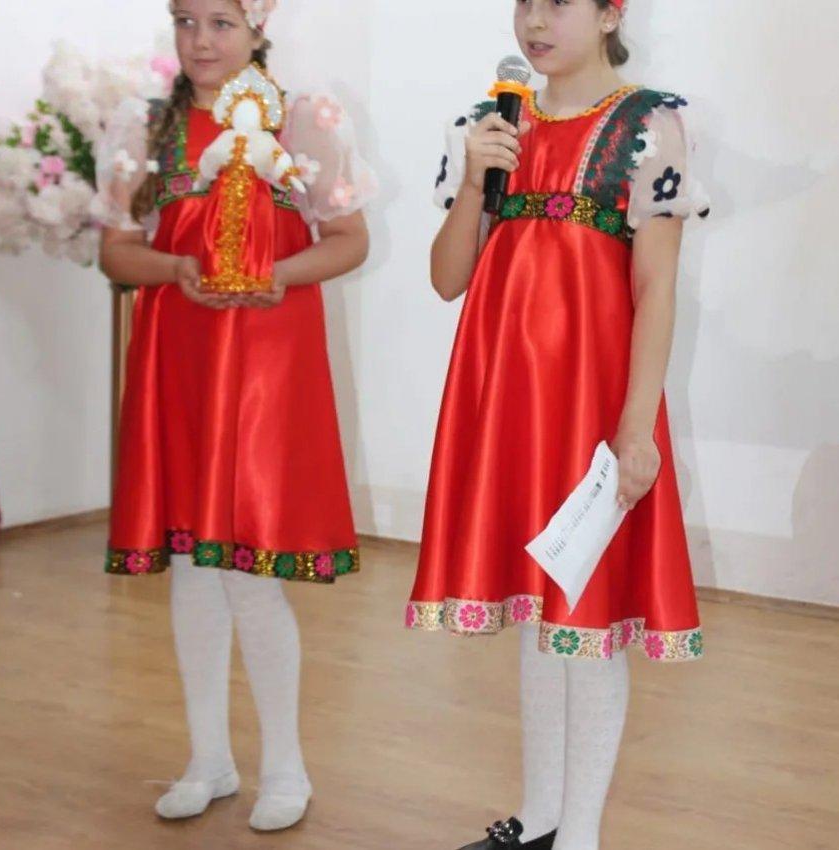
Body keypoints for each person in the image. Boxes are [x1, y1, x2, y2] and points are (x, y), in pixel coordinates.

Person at [406, 1, 709, 848]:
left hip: (591, 407)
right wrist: (475, 181)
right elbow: (448, 278)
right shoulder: (489, 125)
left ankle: (580, 835)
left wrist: (637, 428)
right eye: (525, 1)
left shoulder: (649, 127)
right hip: (507, 401)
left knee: (587, 613)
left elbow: (655, 287)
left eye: (559, 1)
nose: (535, 20)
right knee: (540, 609)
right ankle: (540, 818)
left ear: (611, 12)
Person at [96, 0, 375, 832]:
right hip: (181, 360)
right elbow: (116, 249)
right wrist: (174, 268)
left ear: (258, 25)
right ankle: (208, 760)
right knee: (193, 566)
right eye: (186, 21)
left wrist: (279, 275)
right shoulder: (146, 127)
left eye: (220, 22)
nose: (201, 41)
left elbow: (349, 237)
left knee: (250, 573)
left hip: (264, 366)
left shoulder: (303, 119)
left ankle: (286, 767)